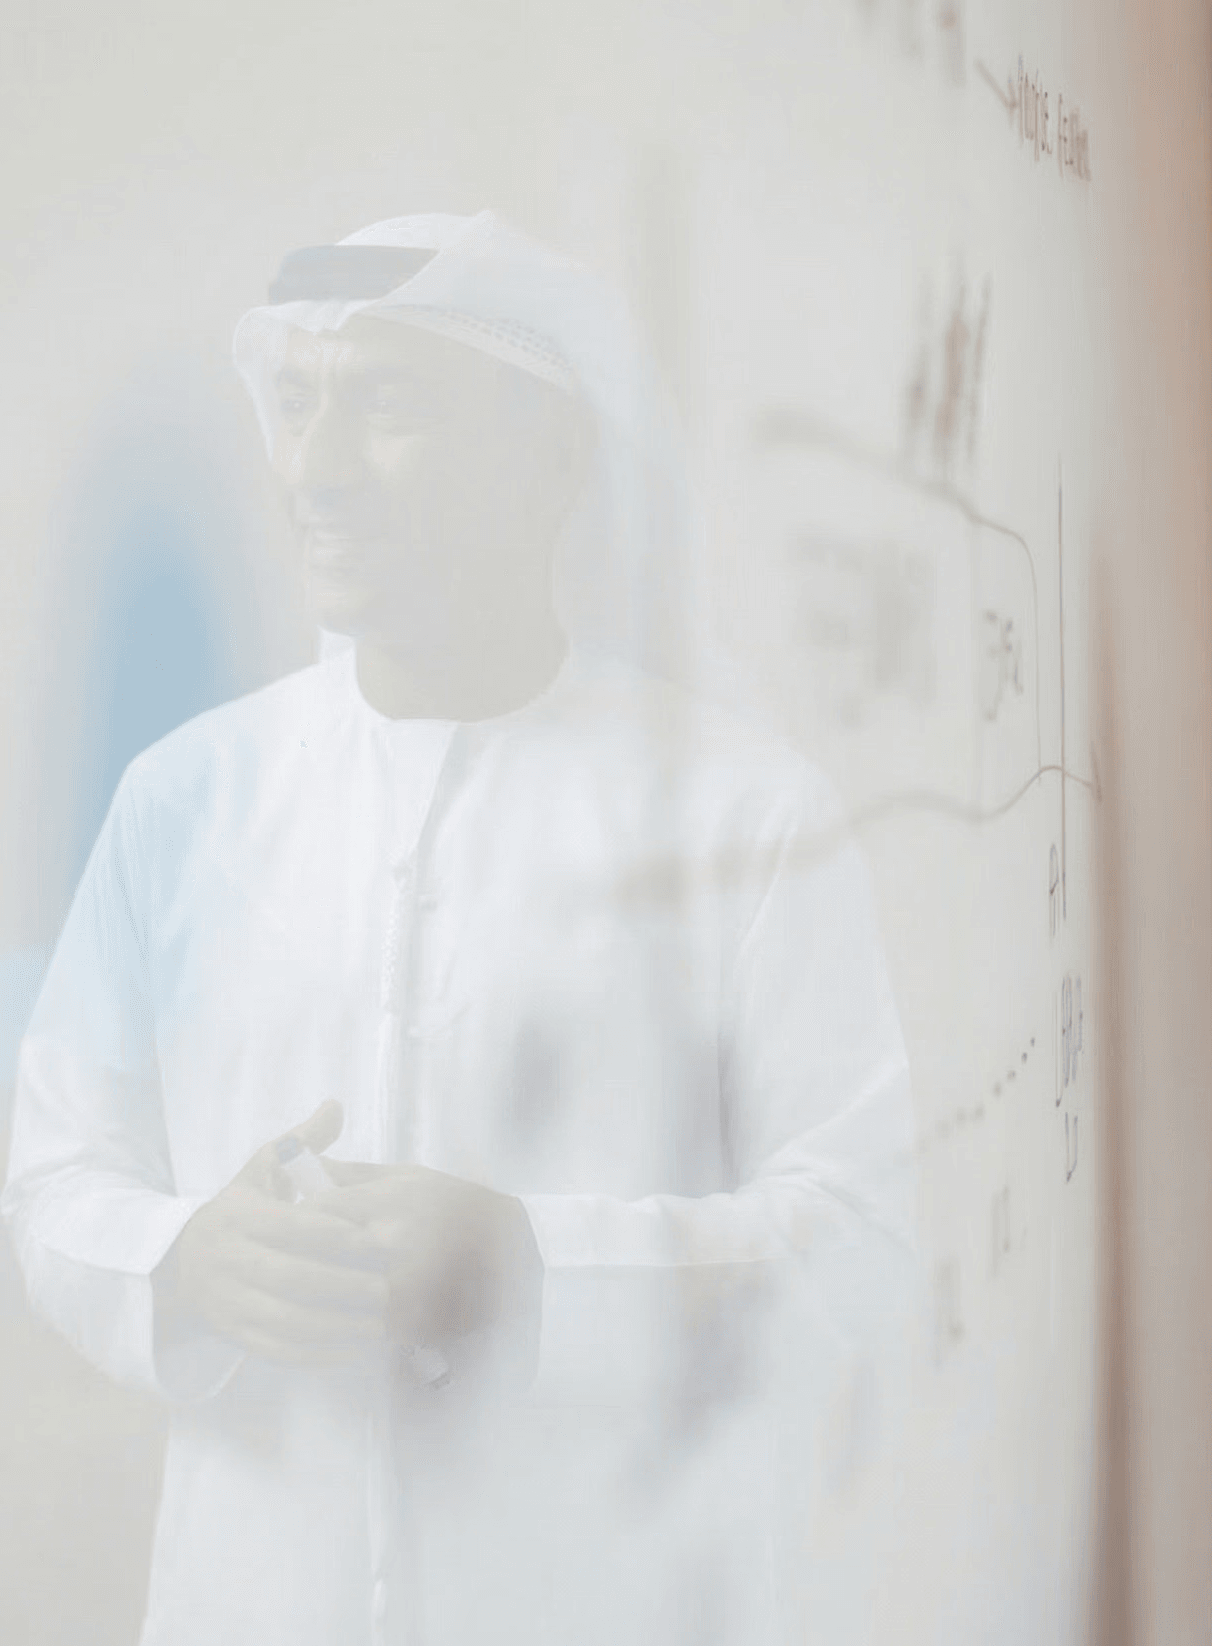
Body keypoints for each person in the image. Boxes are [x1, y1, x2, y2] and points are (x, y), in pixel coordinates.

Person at [3, 213, 911, 1645]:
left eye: (389, 409)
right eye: (299, 406)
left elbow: (860, 1244)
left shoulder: (742, 817)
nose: (318, 472)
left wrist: (533, 1271)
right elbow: (45, 1169)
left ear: (548, 456)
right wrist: (179, 1258)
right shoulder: (182, 799)